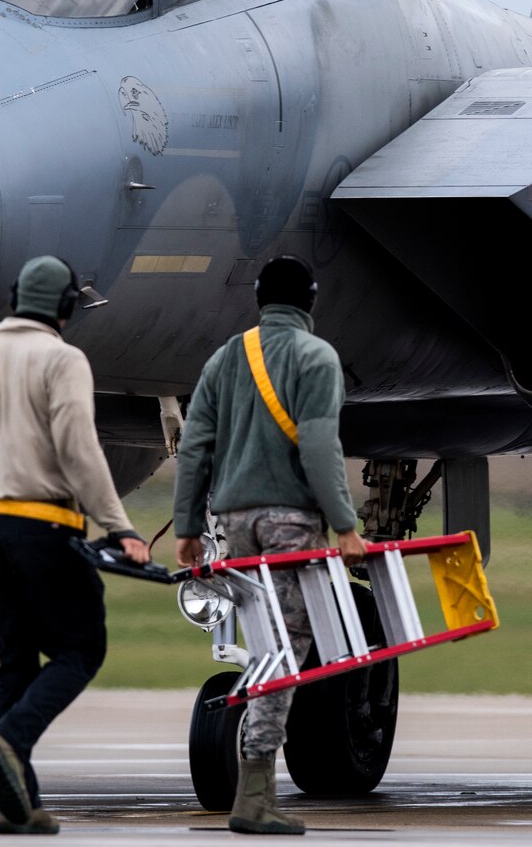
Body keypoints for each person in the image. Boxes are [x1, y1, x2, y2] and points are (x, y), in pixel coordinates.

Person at [0, 255, 151, 836]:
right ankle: (10, 739)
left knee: (15, 661)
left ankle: (18, 806)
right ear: (67, 307)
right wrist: (120, 527)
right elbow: (78, 447)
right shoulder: (63, 359)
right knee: (82, 649)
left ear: (13, 299)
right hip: (45, 525)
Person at [173, 255, 366, 836]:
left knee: (263, 641)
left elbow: (195, 446)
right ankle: (254, 792)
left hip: (231, 518)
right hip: (288, 520)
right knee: (285, 651)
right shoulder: (317, 357)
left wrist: (186, 526)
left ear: (259, 298)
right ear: (311, 299)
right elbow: (319, 449)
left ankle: (256, 783)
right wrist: (346, 524)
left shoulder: (225, 357)